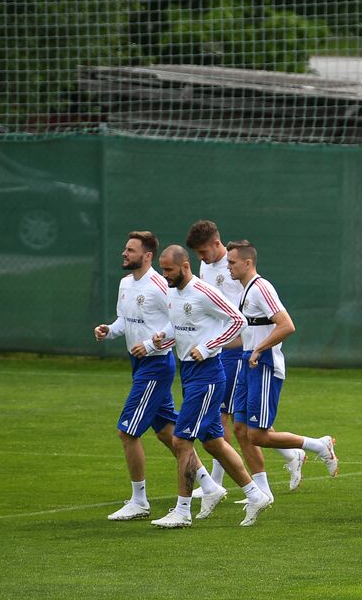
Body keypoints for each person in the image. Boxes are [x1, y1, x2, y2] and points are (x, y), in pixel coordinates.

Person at [148, 245, 272, 528]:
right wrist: (160, 338)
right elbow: (177, 327)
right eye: (162, 269)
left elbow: (238, 321)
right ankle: (255, 495)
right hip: (189, 372)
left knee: (181, 440)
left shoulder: (203, 292)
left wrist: (207, 347)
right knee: (214, 441)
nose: (164, 275)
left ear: (185, 266)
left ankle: (182, 511)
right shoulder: (172, 293)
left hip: (208, 374)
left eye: (168, 269)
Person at [187, 220, 304, 492]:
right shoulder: (209, 266)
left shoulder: (242, 272)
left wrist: (256, 346)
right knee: (242, 421)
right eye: (198, 255)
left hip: (241, 348)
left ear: (217, 243)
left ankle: (217, 483)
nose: (201, 259)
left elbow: (263, 317)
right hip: (221, 345)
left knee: (224, 416)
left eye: (203, 252)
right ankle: (290, 454)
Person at [226, 239, 338, 507]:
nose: (228, 267)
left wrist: (259, 350)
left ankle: (318, 445)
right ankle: (262, 494)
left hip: (263, 366)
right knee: (240, 429)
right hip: (247, 363)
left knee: (258, 435)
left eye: (232, 262)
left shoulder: (261, 288)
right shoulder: (244, 291)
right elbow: (249, 333)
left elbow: (287, 325)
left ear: (248, 262)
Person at [93, 231, 185, 521]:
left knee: (128, 432)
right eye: (125, 248)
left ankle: (139, 500)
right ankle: (207, 484)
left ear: (147, 256)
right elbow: (125, 320)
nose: (124, 253)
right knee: (167, 432)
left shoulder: (160, 285)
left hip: (156, 366)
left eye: (131, 250)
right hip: (139, 365)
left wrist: (148, 345)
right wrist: (109, 330)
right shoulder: (124, 283)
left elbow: (178, 327)